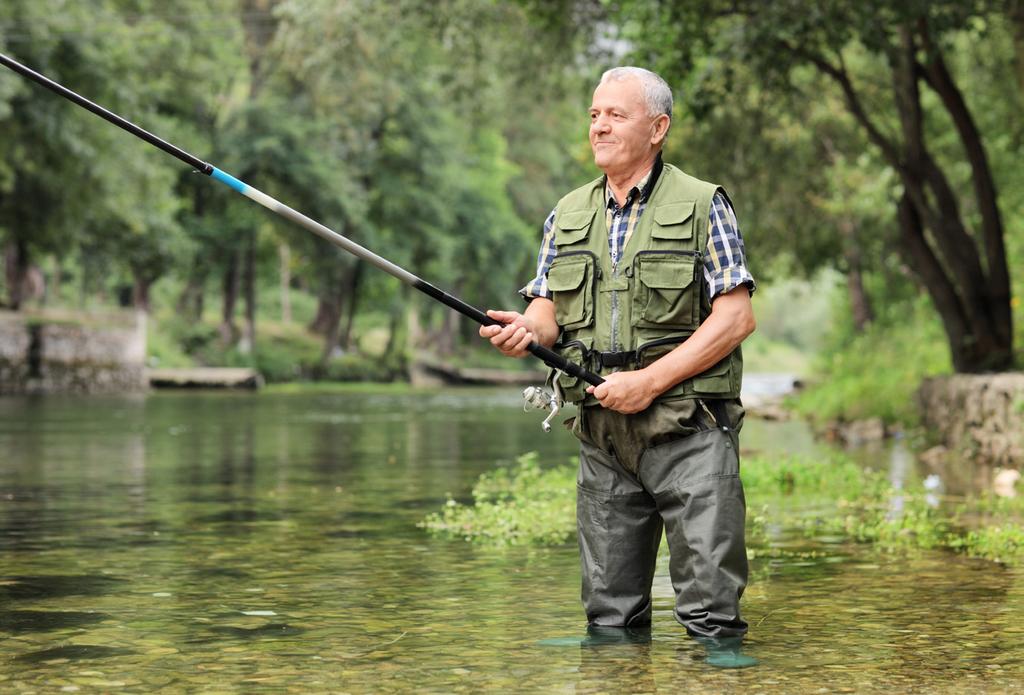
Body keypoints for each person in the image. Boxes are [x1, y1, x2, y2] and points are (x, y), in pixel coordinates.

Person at [480, 67, 756, 648]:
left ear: (658, 128)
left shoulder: (705, 204)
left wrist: (649, 382)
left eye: (616, 115)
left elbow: (735, 318)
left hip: (689, 430)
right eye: (594, 115)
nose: (599, 126)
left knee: (712, 620)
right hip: (602, 436)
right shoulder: (567, 213)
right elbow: (546, 316)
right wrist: (524, 330)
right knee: (609, 620)